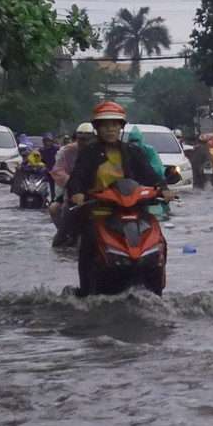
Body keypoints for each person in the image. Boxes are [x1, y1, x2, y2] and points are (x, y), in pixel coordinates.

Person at [67, 102, 172, 294]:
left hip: (134, 211)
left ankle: (157, 287)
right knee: (89, 242)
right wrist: (77, 193)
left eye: (115, 124)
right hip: (100, 213)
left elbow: (150, 176)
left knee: (160, 242)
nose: (110, 129)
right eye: (105, 124)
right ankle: (86, 290)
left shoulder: (134, 152)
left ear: (121, 127)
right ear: (97, 128)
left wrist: (163, 189)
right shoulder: (88, 154)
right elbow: (77, 178)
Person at [49, 122, 93, 242]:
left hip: (97, 194)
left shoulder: (102, 151)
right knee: (54, 209)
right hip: (72, 194)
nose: (85, 143)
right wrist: (71, 183)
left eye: (89, 139)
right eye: (81, 139)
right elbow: (57, 170)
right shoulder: (69, 151)